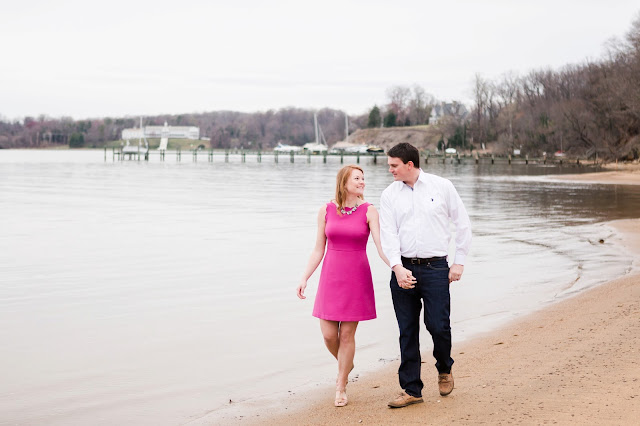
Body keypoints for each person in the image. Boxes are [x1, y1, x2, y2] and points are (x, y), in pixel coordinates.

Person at [380, 143, 472, 408]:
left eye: (394, 165)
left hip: (436, 269)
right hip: (403, 268)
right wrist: (397, 268)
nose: (390, 170)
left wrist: (459, 263)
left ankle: (444, 368)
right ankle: (411, 389)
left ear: (410, 165)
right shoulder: (389, 195)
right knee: (407, 331)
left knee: (438, 326)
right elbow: (388, 235)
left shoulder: (442, 186)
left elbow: (463, 224)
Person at [297, 164, 390, 407]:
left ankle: (341, 384)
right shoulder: (326, 210)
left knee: (347, 335)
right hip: (331, 276)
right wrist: (304, 277)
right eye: (357, 178)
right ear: (344, 182)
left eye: (363, 178)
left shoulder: (370, 211)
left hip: (356, 277)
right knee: (329, 335)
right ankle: (346, 362)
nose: (362, 182)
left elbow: (381, 246)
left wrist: (397, 267)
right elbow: (318, 249)